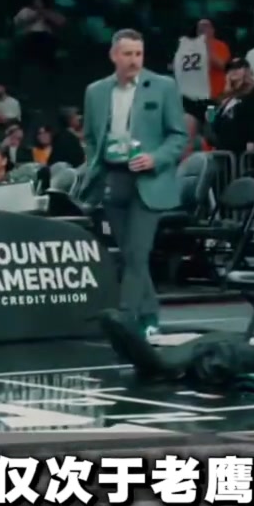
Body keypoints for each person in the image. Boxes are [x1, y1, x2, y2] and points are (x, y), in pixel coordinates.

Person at [76, 29, 186, 336]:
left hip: (149, 180)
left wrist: (155, 158)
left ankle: (127, 319)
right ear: (114, 56)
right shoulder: (95, 91)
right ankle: (149, 315)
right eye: (128, 54)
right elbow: (90, 137)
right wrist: (95, 162)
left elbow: (178, 136)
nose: (134, 60)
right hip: (113, 177)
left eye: (138, 53)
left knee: (138, 252)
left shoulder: (163, 87)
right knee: (129, 255)